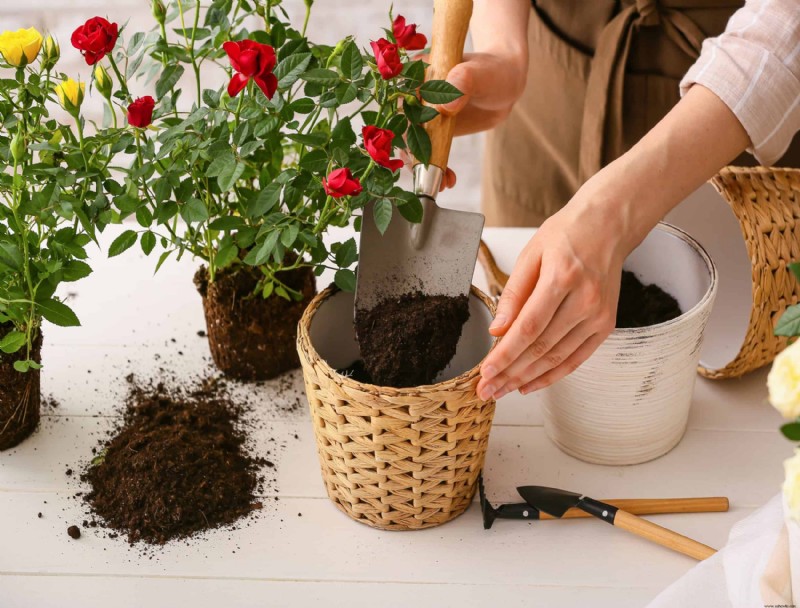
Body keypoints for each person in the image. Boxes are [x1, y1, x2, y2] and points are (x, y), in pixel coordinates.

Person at [433, 0, 800, 402]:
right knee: (530, 310)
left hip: (725, 111)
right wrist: (503, 48)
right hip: (548, 76)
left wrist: (614, 210)